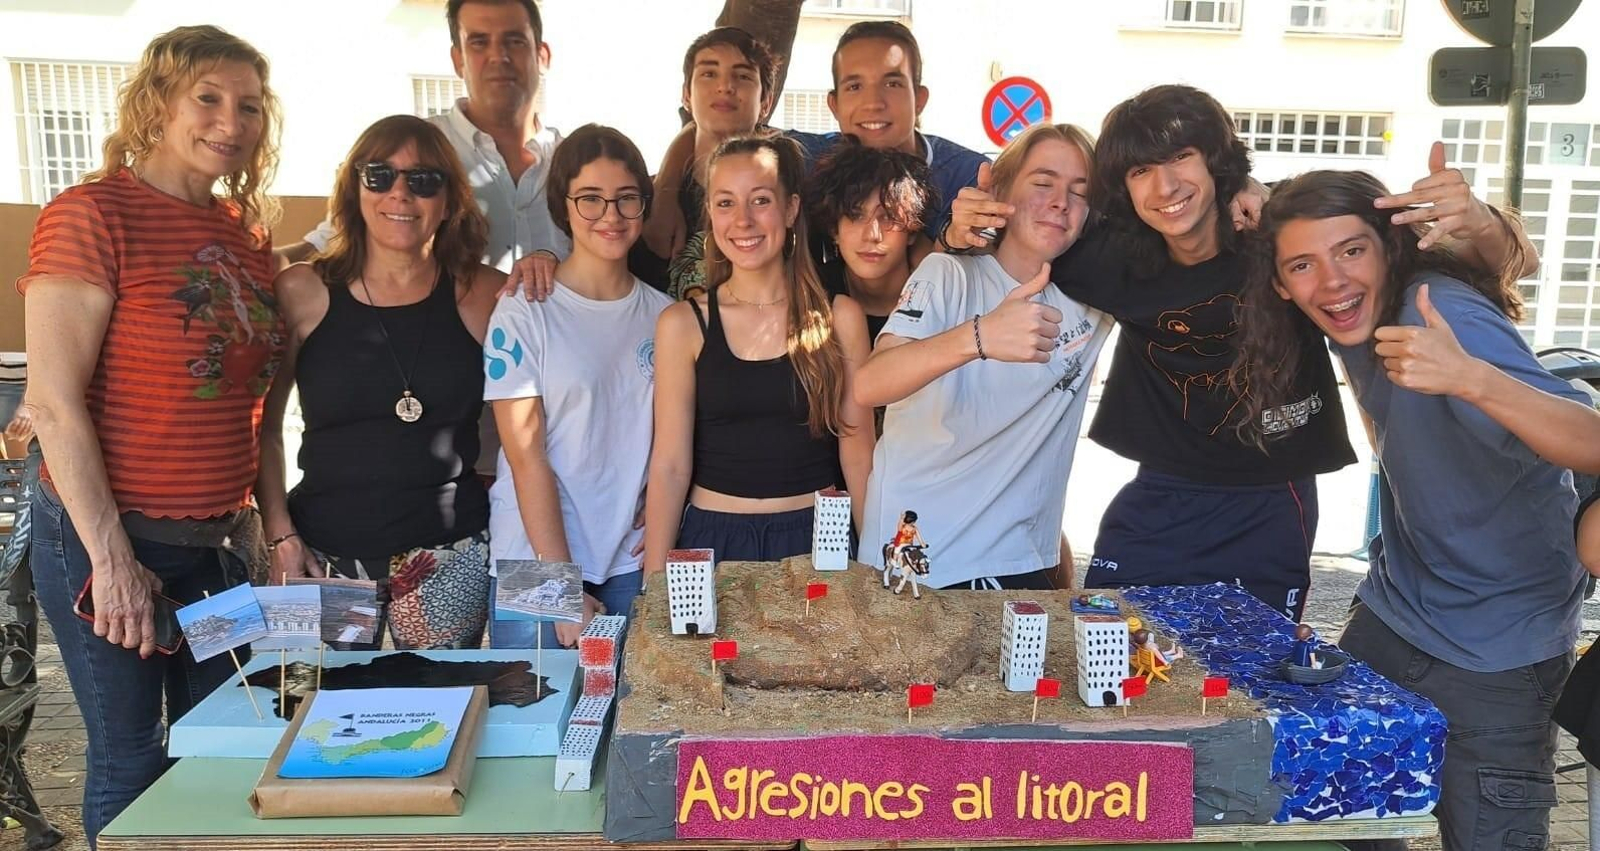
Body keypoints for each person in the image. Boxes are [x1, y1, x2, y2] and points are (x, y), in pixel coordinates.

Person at [1234, 168, 1581, 851]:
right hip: (1393, 618)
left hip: (1500, 649)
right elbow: (1512, 257)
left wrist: (1470, 378)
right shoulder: (1342, 310)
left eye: (1352, 251)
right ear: (1280, 282)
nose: (1331, 279)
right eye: (1304, 264)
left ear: (1390, 250)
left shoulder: (1438, 309)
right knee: (1341, 827)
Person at [20, 25, 282, 845]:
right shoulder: (91, 215)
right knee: (131, 756)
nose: (229, 122)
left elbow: (254, 401)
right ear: (158, 102)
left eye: (248, 105)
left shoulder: (247, 234)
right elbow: (54, 404)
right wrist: (114, 562)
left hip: (217, 549)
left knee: (223, 747)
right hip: (107, 538)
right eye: (208, 98)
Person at [258, 115, 503, 650]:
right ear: (354, 187)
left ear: (449, 198)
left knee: (440, 712)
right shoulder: (303, 291)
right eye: (379, 175)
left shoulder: (485, 294)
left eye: (422, 180)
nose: (400, 194)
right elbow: (263, 427)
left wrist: (546, 264)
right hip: (324, 550)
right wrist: (280, 535)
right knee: (330, 716)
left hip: (448, 553)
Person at [855, 123, 1112, 591]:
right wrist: (979, 336)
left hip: (1021, 564)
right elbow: (869, 384)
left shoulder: (1096, 298)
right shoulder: (949, 272)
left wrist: (1244, 185)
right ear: (1001, 193)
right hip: (922, 562)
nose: (1061, 201)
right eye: (1043, 183)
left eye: (1080, 191)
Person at [642, 134, 873, 572]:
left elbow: (858, 453)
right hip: (712, 542)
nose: (743, 220)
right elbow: (670, 464)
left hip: (819, 541)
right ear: (709, 213)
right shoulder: (682, 324)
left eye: (760, 200)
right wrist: (653, 583)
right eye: (725, 203)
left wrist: (876, 566)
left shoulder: (840, 317)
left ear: (790, 209)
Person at [484, 124, 671, 647]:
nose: (610, 216)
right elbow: (525, 456)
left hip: (627, 561)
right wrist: (560, 586)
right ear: (562, 206)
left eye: (626, 199)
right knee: (532, 719)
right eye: (590, 199)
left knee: (627, 722)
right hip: (532, 563)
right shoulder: (523, 309)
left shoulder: (666, 316)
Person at [645, 21, 986, 262]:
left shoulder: (968, 175)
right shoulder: (813, 156)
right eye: (855, 86)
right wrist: (665, 194)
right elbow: (728, 129)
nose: (874, 103)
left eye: (892, 84)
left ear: (920, 98)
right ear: (833, 105)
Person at [629, 26, 775, 299]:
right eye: (709, 73)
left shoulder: (790, 185)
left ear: (765, 102)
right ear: (686, 95)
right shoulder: (642, 203)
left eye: (743, 76)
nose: (725, 86)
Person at [806, 137, 937, 342]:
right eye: (855, 216)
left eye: (888, 217)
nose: (872, 235)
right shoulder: (812, 295)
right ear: (834, 229)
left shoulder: (938, 299)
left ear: (912, 230)